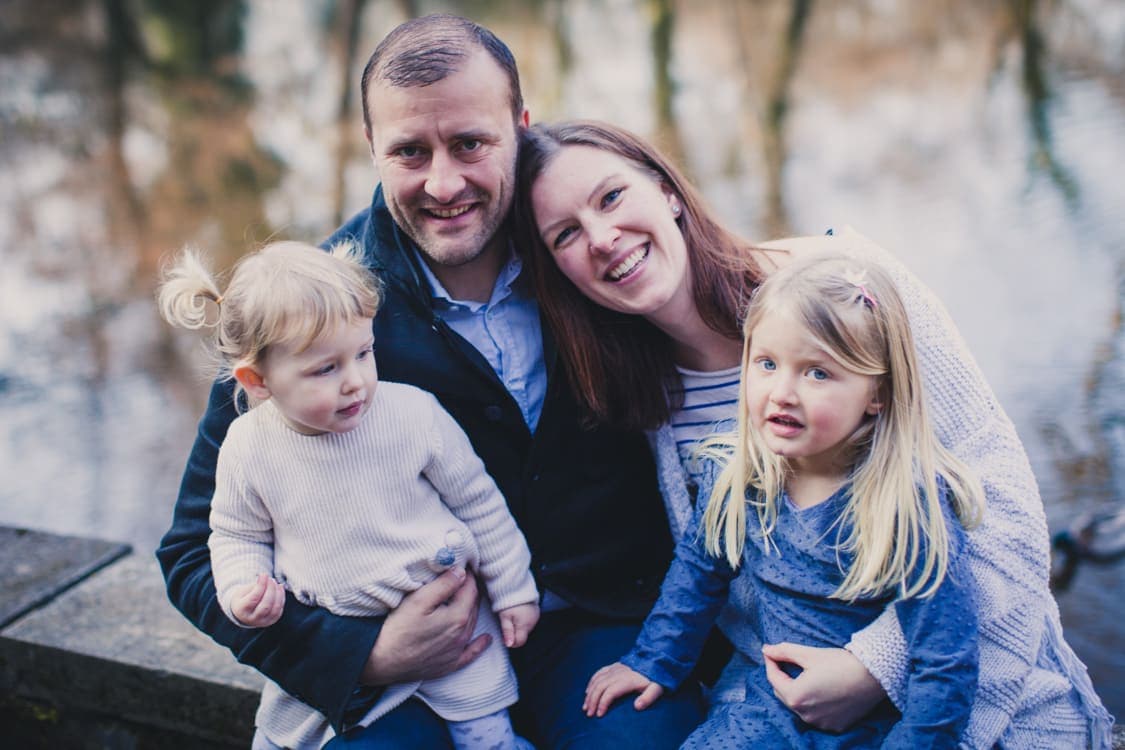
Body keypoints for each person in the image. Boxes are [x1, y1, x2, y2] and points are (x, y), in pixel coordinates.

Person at [157, 15, 712, 749]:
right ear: (371, 149)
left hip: (599, 629)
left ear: (519, 124)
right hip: (405, 664)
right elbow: (195, 550)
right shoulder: (314, 315)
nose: (443, 182)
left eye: (471, 144)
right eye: (410, 152)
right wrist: (364, 655)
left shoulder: (587, 249)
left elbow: (727, 332)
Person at [514, 120, 1114, 748]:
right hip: (776, 704)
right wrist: (656, 660)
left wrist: (872, 669)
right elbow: (707, 566)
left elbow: (1005, 518)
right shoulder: (639, 393)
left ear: (666, 190)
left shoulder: (848, 295)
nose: (603, 238)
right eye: (566, 234)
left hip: (951, 679)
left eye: (611, 197)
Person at [584, 252, 984, 747]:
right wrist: (654, 660)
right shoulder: (736, 474)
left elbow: (945, 661)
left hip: (877, 722)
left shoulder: (903, 505)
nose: (782, 393)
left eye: (817, 373)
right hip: (770, 711)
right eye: (767, 364)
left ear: (876, 393)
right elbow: (698, 572)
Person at [157, 240, 540, 749]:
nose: (356, 382)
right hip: (342, 643)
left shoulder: (414, 415)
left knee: (487, 735)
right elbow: (233, 534)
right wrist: (240, 589)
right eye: (325, 369)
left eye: (364, 353)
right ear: (258, 380)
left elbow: (480, 505)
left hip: (453, 630)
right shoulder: (248, 446)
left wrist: (514, 590)